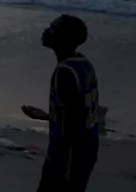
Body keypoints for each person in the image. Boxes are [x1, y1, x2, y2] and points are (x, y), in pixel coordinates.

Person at [22, 15, 101, 192]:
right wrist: (48, 116)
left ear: (61, 39)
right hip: (87, 151)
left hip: (69, 155)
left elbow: (72, 127)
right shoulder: (84, 64)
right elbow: (79, 113)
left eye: (51, 30)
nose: (45, 32)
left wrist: (60, 161)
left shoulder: (64, 72)